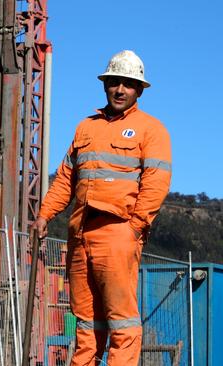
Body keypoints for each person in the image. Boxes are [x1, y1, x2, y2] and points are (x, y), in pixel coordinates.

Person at [32, 50, 171, 365]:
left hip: (118, 232)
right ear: (105, 84)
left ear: (139, 90)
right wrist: (44, 214)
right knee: (86, 322)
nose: (120, 90)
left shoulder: (151, 130)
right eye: (114, 82)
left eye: (128, 84)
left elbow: (156, 184)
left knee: (121, 322)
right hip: (80, 234)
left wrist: (134, 228)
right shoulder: (86, 128)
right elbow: (65, 179)